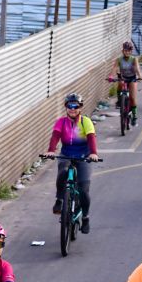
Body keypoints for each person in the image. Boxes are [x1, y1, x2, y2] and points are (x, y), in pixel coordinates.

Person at [45, 93, 99, 233]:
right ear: (66, 107)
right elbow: (55, 136)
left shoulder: (85, 122)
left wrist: (93, 153)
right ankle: (59, 199)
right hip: (67, 154)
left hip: (84, 156)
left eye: (76, 106)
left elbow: (91, 138)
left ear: (80, 107)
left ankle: (85, 217)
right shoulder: (61, 122)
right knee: (62, 171)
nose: (72, 109)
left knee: (84, 187)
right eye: (70, 106)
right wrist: (51, 150)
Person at [111, 41, 142, 126]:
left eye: (129, 50)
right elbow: (115, 68)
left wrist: (140, 75)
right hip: (123, 78)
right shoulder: (119, 59)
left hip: (132, 78)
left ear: (131, 51)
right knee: (120, 84)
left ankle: (134, 115)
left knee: (132, 98)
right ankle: (119, 101)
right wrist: (111, 76)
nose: (127, 52)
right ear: (123, 51)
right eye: (126, 50)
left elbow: (137, 68)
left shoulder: (134, 59)